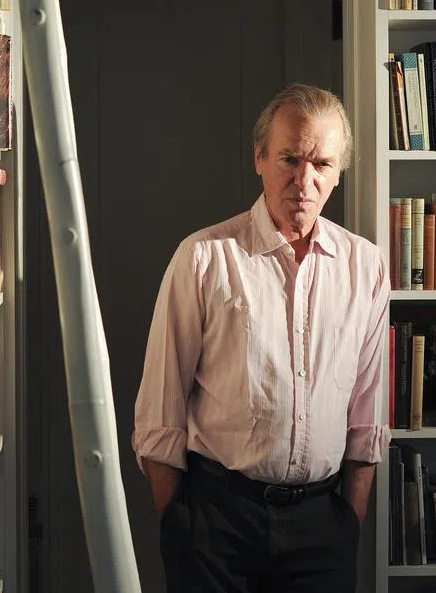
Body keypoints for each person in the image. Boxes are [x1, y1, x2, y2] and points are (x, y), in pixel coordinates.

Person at [132, 82, 390, 593]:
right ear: (259, 159)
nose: (304, 180)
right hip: (214, 525)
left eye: (322, 165)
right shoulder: (204, 257)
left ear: (338, 174)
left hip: (321, 527)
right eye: (289, 158)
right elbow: (159, 414)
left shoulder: (367, 267)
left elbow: (367, 416)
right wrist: (181, 523)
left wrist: (348, 521)